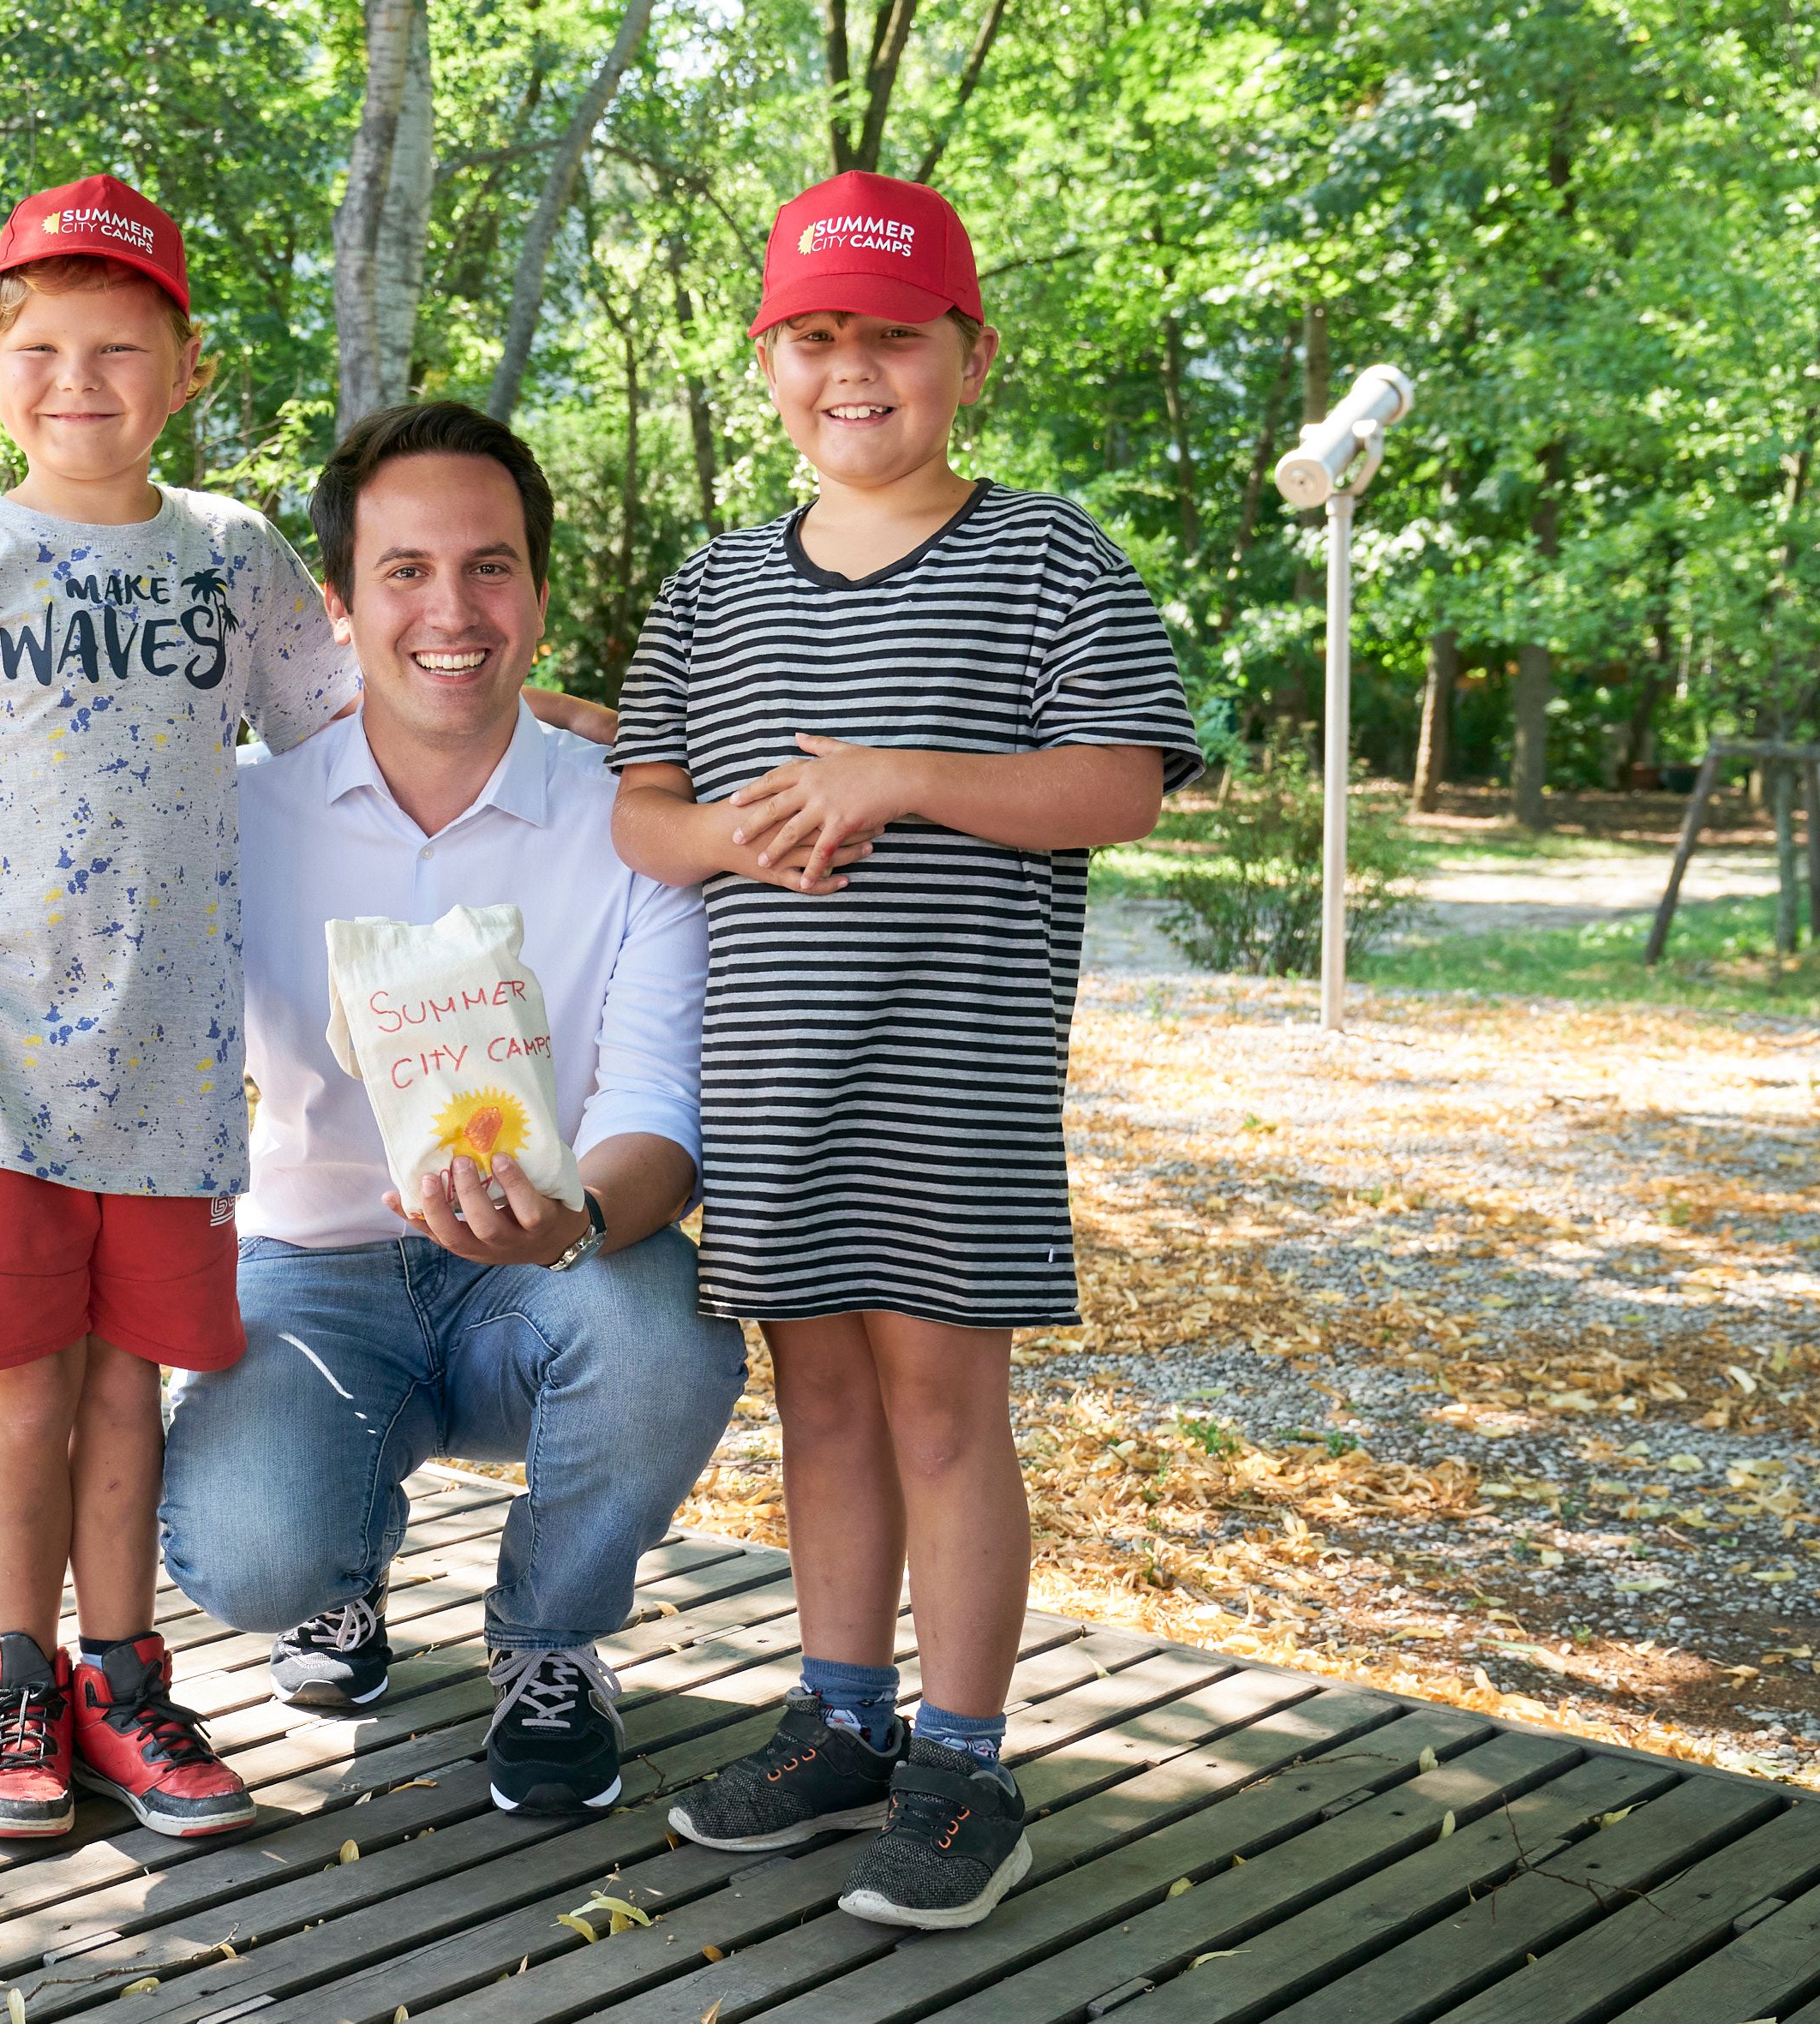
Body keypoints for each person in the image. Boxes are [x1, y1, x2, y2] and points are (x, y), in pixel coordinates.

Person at [610, 172, 1200, 1928]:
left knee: (943, 1409)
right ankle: (842, 1718)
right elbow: (643, 811)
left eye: (893, 334)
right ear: (765, 363)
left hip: (952, 1084)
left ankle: (963, 1762)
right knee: (820, 1404)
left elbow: (1121, 783)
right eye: (812, 336)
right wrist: (733, 835)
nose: (850, 369)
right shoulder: (711, 586)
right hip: (776, 1083)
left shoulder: (1047, 558)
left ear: (970, 355)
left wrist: (900, 778)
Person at [0, 173, 356, 1842]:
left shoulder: (233, 556)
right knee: (21, 1389)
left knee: (129, 1387)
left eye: (120, 348)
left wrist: (550, 728)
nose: (79, 381)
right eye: (42, 347)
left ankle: (124, 1684)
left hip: (171, 1068)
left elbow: (353, 735)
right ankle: (14, 1680)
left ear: (186, 368)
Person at [159, 399, 748, 1817]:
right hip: (314, 1270)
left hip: (550, 1274)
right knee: (246, 1549)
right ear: (341, 604)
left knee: (669, 1329)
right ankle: (336, 1571)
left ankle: (550, 1638)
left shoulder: (630, 820)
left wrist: (574, 1220)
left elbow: (662, 1103)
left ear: (539, 595)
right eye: (405, 571)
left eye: (490, 567)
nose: (452, 609)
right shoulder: (236, 815)